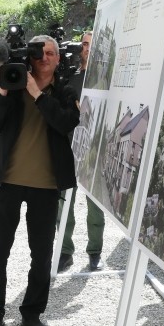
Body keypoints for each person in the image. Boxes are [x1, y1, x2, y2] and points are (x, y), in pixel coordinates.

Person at [0, 35, 79, 326]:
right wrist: (3, 91)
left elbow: (65, 122)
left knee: (42, 254)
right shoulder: (14, 82)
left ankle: (32, 315)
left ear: (58, 58)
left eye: (50, 52)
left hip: (46, 186)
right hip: (6, 182)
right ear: (30, 58)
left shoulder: (65, 90)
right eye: (39, 53)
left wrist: (38, 95)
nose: (44, 58)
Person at [57, 31, 106, 272]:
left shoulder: (106, 80)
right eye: (85, 44)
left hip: (94, 151)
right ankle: (65, 252)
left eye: (92, 44)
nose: (88, 48)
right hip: (68, 149)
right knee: (63, 203)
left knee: (95, 206)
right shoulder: (70, 79)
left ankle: (95, 252)